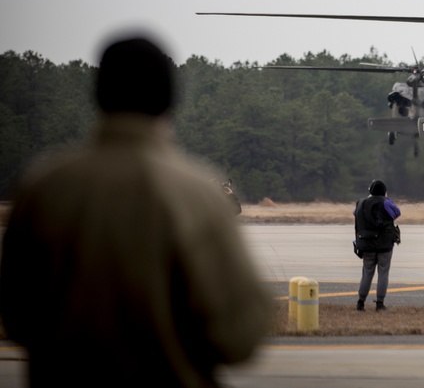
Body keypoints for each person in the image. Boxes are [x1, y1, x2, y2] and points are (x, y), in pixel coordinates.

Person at [0, 34, 272, 387]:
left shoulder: (43, 188)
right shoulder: (198, 193)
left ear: (97, 94)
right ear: (169, 99)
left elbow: (17, 316)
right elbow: (240, 334)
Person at [353, 179, 401, 311]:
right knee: (383, 273)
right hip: (384, 245)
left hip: (366, 244)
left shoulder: (361, 203)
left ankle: (360, 302)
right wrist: (386, 199)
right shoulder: (385, 202)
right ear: (384, 192)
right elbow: (396, 212)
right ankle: (380, 303)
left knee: (367, 273)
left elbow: (355, 214)